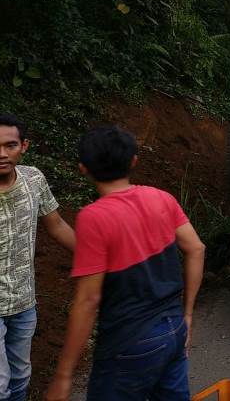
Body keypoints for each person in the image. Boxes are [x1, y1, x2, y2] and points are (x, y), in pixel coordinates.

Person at [46, 126, 206, 401]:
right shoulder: (161, 198)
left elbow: (88, 299)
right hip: (173, 327)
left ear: (83, 168)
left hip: (129, 339)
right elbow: (196, 248)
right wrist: (187, 313)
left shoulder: (94, 218)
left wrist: (63, 376)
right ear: (134, 161)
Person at [0, 113, 75, 401]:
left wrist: (96, 259)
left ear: (24, 146)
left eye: (10, 145)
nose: (2, 154)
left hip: (23, 301)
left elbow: (56, 225)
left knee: (21, 377)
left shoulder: (33, 179)